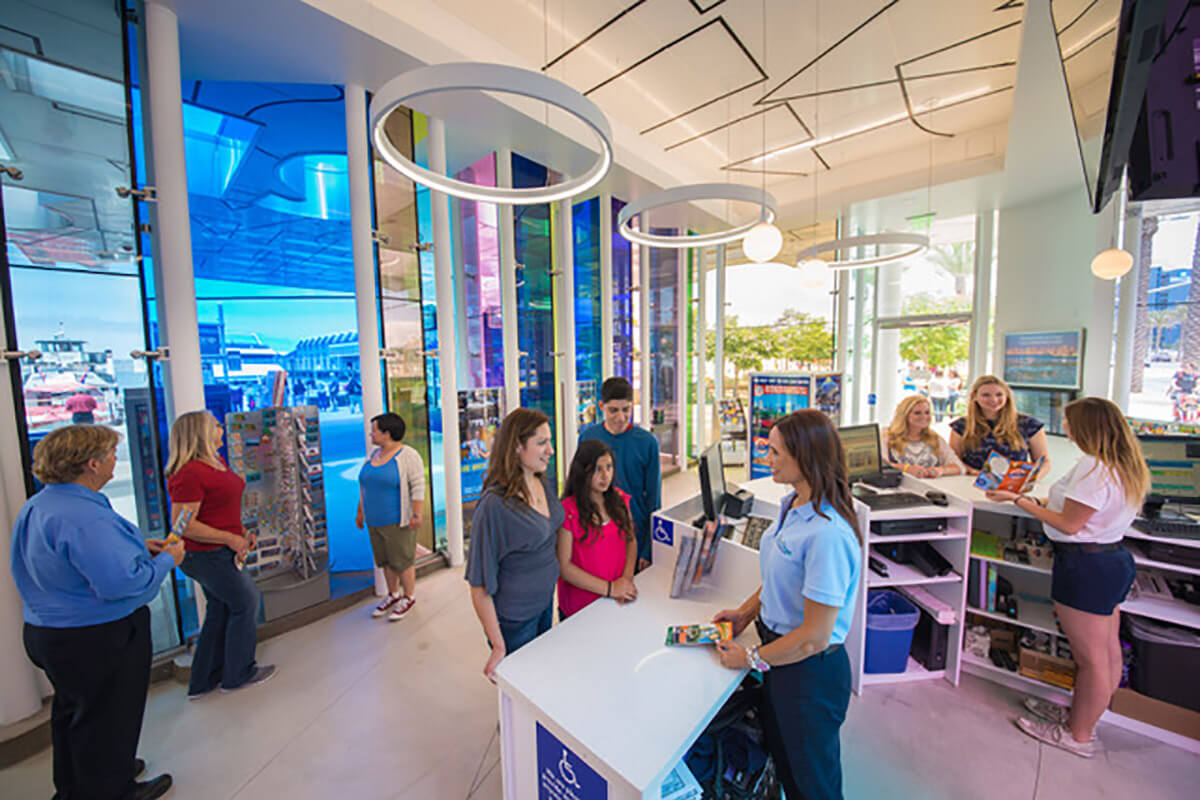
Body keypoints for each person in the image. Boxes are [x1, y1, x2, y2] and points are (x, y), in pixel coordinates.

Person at [12, 425, 182, 800]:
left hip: (48, 631)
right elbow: (122, 584)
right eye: (109, 455)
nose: (113, 462)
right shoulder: (85, 517)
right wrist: (167, 560)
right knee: (111, 715)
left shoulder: (40, 505)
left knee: (74, 711)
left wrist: (140, 549)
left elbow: (64, 564)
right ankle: (112, 789)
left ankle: (79, 784)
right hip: (96, 635)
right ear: (91, 463)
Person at [984, 397, 1148, 758]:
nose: (1066, 427)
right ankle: (1082, 717)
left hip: (1086, 568)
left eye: (1070, 422)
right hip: (1111, 561)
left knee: (1091, 659)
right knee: (1106, 651)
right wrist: (1034, 499)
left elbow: (1069, 524)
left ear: (1086, 426)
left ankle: (1078, 735)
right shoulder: (1120, 464)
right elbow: (1078, 511)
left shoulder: (1094, 469)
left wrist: (1018, 501)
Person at [711, 410, 862, 800]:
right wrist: (746, 612)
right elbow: (783, 575)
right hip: (781, 659)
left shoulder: (828, 536)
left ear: (806, 457)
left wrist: (749, 658)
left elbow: (814, 637)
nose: (769, 459)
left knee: (812, 784)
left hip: (809, 673)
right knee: (785, 761)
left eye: (776, 452)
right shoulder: (794, 504)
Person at [166, 411, 275, 698]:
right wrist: (229, 539)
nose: (220, 428)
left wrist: (240, 534)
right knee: (245, 603)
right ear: (201, 432)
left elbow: (223, 507)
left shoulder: (216, 463)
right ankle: (239, 673)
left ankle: (205, 678)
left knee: (219, 609)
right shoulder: (189, 473)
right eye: (214, 425)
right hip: (207, 554)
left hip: (222, 549)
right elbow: (183, 525)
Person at [466, 408, 563, 682]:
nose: (551, 450)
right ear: (517, 447)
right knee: (521, 690)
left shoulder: (541, 481)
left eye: (550, 441)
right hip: (515, 619)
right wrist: (498, 645)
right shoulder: (495, 505)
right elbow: (479, 584)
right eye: (542, 443)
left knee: (538, 678)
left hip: (545, 603)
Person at [578, 377, 661, 571]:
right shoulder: (588, 438)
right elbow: (580, 487)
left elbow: (654, 500)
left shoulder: (647, 442)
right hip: (598, 533)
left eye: (626, 410)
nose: (621, 417)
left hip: (635, 533)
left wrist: (648, 549)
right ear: (601, 406)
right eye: (613, 410)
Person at [556, 439, 638, 620]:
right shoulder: (567, 510)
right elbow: (564, 567)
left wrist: (626, 579)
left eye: (609, 467)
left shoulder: (619, 499)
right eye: (597, 469)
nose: (605, 475)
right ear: (582, 471)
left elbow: (631, 540)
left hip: (617, 598)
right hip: (581, 606)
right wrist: (609, 589)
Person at [356, 412, 426, 621]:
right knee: (385, 560)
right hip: (374, 520)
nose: (371, 434)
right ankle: (393, 594)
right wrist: (360, 511)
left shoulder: (408, 455)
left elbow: (418, 486)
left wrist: (416, 513)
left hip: (398, 520)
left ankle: (409, 596)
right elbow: (364, 486)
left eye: (374, 430)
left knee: (402, 560)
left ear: (387, 433)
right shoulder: (372, 455)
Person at [949, 375, 1049, 477]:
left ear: (1007, 396)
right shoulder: (961, 426)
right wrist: (976, 473)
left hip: (1013, 486)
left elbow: (1043, 461)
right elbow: (954, 460)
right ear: (974, 397)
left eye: (999, 394)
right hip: (972, 483)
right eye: (986, 395)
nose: (993, 400)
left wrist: (1032, 478)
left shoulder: (1029, 425)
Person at [885, 395, 964, 478]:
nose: (924, 417)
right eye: (917, 413)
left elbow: (959, 467)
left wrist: (940, 470)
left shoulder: (935, 438)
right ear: (904, 415)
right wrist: (906, 469)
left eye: (927, 413)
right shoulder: (887, 435)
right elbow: (879, 466)